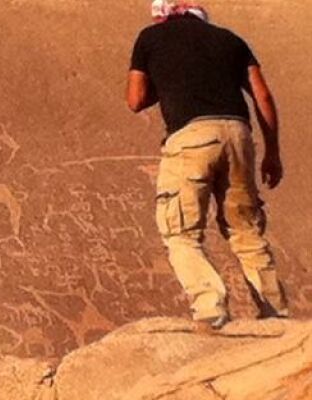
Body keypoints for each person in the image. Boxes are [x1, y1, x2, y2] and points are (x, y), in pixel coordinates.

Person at [126, 0, 289, 329]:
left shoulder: (149, 38)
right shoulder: (231, 40)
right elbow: (264, 97)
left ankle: (211, 309)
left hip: (191, 138)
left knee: (181, 232)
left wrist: (168, 78)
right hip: (238, 136)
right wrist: (272, 152)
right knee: (246, 230)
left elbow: (135, 100)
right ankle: (276, 317)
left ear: (161, 15)